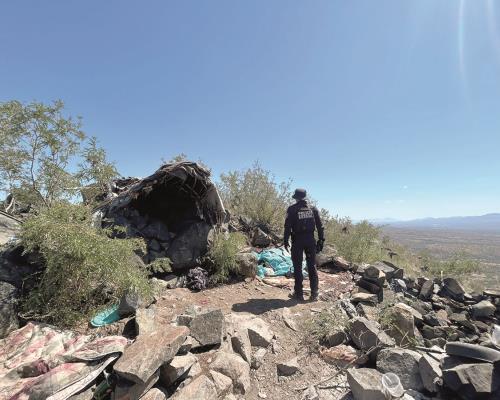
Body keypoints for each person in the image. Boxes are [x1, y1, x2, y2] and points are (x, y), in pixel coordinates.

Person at [283, 188, 325, 301]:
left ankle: (299, 294)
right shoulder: (313, 209)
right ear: (305, 197)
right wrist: (321, 240)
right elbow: (320, 226)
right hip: (310, 240)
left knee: (297, 267)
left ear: (296, 197)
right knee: (312, 266)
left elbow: (287, 226)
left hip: (298, 241)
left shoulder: (292, 209)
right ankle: (314, 293)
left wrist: (285, 240)